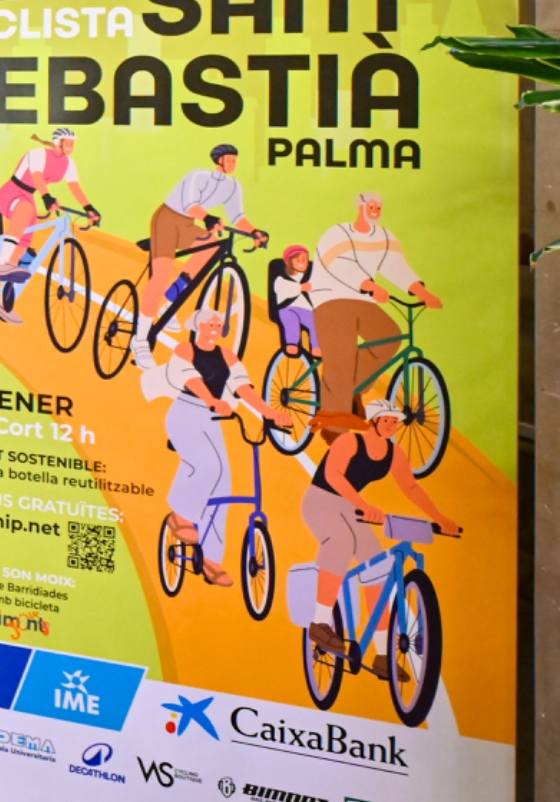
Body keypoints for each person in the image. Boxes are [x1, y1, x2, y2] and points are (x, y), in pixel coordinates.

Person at [132, 308, 289, 587]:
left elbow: (243, 388)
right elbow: (190, 379)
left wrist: (270, 413)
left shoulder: (228, 356)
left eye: (219, 324)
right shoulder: (185, 349)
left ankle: (212, 559)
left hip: (213, 419)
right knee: (206, 466)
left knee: (223, 485)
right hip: (185, 414)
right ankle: (180, 515)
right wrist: (211, 400)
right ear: (198, 326)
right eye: (211, 323)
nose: (216, 327)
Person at [301, 397, 459, 672]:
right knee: (341, 542)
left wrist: (440, 518)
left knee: (379, 569)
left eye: (395, 421)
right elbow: (334, 475)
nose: (391, 425)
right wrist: (364, 505)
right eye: (386, 420)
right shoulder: (349, 442)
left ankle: (383, 656)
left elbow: (411, 487)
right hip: (320, 500)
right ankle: (320, 622)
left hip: (352, 507)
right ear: (373, 420)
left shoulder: (394, 453)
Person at [306, 192, 441, 418]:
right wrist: (369, 285)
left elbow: (397, 266)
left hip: (362, 299)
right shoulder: (338, 233)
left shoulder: (384, 238)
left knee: (390, 336)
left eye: (379, 207)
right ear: (361, 207)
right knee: (342, 355)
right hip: (331, 298)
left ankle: (349, 390)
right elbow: (339, 265)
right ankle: (334, 427)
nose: (376, 210)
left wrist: (422, 292)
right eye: (371, 206)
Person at [141, 145, 265, 332]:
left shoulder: (233, 186)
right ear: (219, 161)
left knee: (213, 246)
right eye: (229, 160)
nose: (233, 164)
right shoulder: (198, 175)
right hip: (167, 219)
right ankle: (141, 335)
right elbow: (190, 204)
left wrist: (254, 231)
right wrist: (207, 218)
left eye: (235, 160)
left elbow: (237, 215)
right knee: (163, 273)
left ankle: (171, 301)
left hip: (188, 225)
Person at [0, 129, 95, 322]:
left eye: (73, 143)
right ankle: (2, 265)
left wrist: (89, 208)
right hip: (12, 192)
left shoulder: (69, 164)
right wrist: (46, 197)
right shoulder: (37, 154)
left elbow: (74, 186)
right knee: (24, 210)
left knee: (25, 243)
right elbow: (37, 175)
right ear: (57, 142)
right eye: (67, 143)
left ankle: (4, 304)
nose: (71, 146)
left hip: (29, 197)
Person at [269, 245, 317, 355]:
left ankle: (316, 346)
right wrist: (300, 287)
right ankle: (292, 343)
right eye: (297, 259)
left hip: (306, 310)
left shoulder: (309, 278)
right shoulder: (281, 279)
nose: (301, 261)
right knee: (291, 321)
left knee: (315, 323)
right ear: (288, 262)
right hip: (288, 308)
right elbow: (281, 288)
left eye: (304, 259)